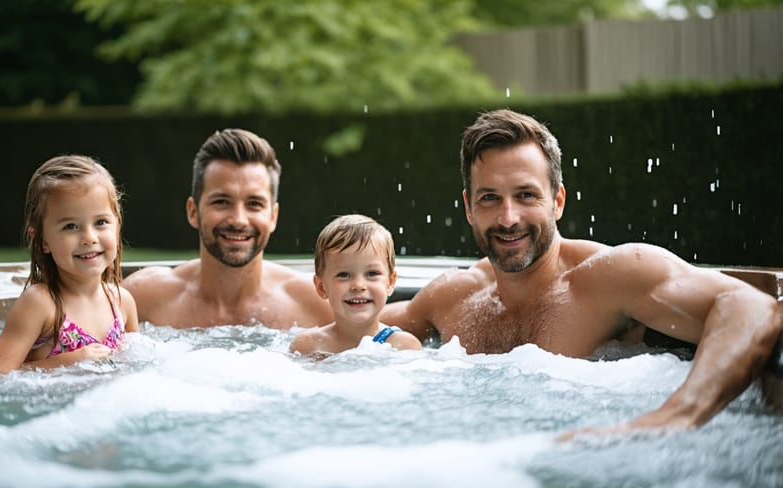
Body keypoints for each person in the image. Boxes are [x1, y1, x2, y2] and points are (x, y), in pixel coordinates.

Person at [382, 109, 781, 433]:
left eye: (526, 195)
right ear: (468, 207)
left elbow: (753, 306)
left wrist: (679, 414)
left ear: (557, 201)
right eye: (490, 198)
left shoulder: (612, 275)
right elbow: (347, 322)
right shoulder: (454, 296)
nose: (508, 218)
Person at [123, 128, 333, 329]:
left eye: (254, 204)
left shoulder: (319, 305)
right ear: (193, 211)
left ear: (273, 217)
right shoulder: (142, 299)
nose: (239, 220)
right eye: (222, 201)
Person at [0, 155, 138, 374]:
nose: (89, 237)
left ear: (117, 225)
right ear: (43, 240)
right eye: (71, 226)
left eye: (101, 222)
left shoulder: (122, 302)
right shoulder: (40, 304)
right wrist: (69, 361)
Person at [290, 214, 422, 355]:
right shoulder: (307, 345)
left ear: (390, 282)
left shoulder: (404, 346)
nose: (358, 285)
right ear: (322, 287)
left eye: (372, 274)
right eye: (344, 275)